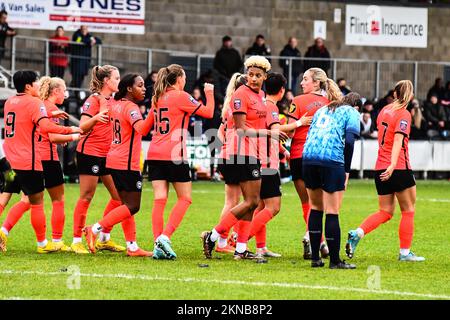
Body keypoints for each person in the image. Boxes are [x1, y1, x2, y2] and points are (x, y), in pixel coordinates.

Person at [201, 56, 287, 261]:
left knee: (252, 202)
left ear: (265, 76)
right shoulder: (241, 94)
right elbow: (240, 129)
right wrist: (268, 134)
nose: (254, 78)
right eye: (250, 74)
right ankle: (213, 236)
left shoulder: (261, 97)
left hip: (251, 153)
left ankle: (240, 249)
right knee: (250, 201)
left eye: (258, 75)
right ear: (246, 74)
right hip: (238, 152)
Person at [0, 70, 81, 253]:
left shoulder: (10, 102)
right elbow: (46, 128)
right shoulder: (35, 103)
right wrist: (72, 131)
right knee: (37, 201)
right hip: (28, 161)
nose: (40, 85)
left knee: (7, 197)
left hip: (9, 161)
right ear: (28, 86)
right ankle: (44, 244)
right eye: (36, 82)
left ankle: (4, 231)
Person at [346, 80, 425, 262]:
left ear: (395, 94)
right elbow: (398, 141)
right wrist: (392, 165)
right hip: (398, 167)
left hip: (380, 166)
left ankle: (358, 233)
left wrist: (387, 165)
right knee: (408, 210)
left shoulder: (384, 111)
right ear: (410, 96)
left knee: (385, 211)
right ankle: (405, 253)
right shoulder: (403, 113)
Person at [147, 64, 215, 259]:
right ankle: (165, 237)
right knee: (185, 198)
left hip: (154, 152)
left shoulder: (157, 97)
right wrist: (209, 93)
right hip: (175, 153)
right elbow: (209, 113)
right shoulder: (181, 96)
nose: (185, 81)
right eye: (184, 78)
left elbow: (146, 127)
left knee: (160, 199)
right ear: (178, 79)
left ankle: (157, 245)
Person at [84, 74, 155, 257]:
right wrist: (155, 109)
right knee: (133, 206)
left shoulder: (115, 104)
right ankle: (95, 229)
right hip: (126, 162)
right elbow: (142, 129)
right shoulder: (130, 107)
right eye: (140, 85)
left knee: (124, 205)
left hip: (113, 158)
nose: (144, 88)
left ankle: (132, 246)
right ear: (129, 89)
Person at [281, 67, 341, 260]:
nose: (301, 83)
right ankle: (320, 242)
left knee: (308, 204)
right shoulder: (332, 103)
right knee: (325, 205)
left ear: (316, 82)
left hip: (300, 156)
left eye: (305, 79)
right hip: (325, 157)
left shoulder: (297, 102)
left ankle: (314, 238)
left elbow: (289, 133)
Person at [302, 92, 361, 269]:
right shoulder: (352, 112)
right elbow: (350, 142)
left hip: (308, 158)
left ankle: (315, 259)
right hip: (331, 159)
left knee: (315, 207)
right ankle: (335, 261)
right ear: (356, 106)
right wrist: (346, 170)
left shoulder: (322, 110)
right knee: (332, 211)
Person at [71, 65, 124, 254]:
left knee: (119, 197)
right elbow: (82, 127)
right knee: (87, 196)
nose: (119, 81)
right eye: (116, 78)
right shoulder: (93, 100)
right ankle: (76, 240)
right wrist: (96, 118)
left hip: (107, 154)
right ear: (107, 81)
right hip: (90, 152)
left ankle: (103, 238)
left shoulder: (116, 100)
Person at [247, 72, 289, 258]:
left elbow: (267, 134)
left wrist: (282, 150)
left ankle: (260, 247)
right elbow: (273, 131)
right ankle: (239, 239)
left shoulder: (261, 103)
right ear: (282, 91)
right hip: (267, 163)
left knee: (261, 207)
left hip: (259, 159)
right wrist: (299, 124)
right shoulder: (271, 108)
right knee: (273, 207)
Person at [214, 72, 247, 254]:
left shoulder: (228, 106)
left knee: (235, 201)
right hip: (238, 156)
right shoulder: (239, 105)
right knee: (238, 202)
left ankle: (226, 238)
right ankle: (221, 241)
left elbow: (220, 132)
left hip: (229, 155)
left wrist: (225, 145)